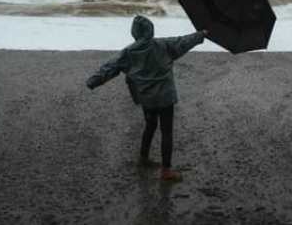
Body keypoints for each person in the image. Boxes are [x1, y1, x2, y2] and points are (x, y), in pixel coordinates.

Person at [86, 15, 207, 182]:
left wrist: (93, 81)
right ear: (151, 30)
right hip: (165, 97)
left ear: (134, 33)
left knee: (150, 125)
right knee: (166, 132)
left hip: (147, 99)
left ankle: (143, 158)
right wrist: (201, 34)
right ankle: (166, 171)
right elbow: (184, 41)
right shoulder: (164, 45)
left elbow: (110, 67)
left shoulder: (129, 52)